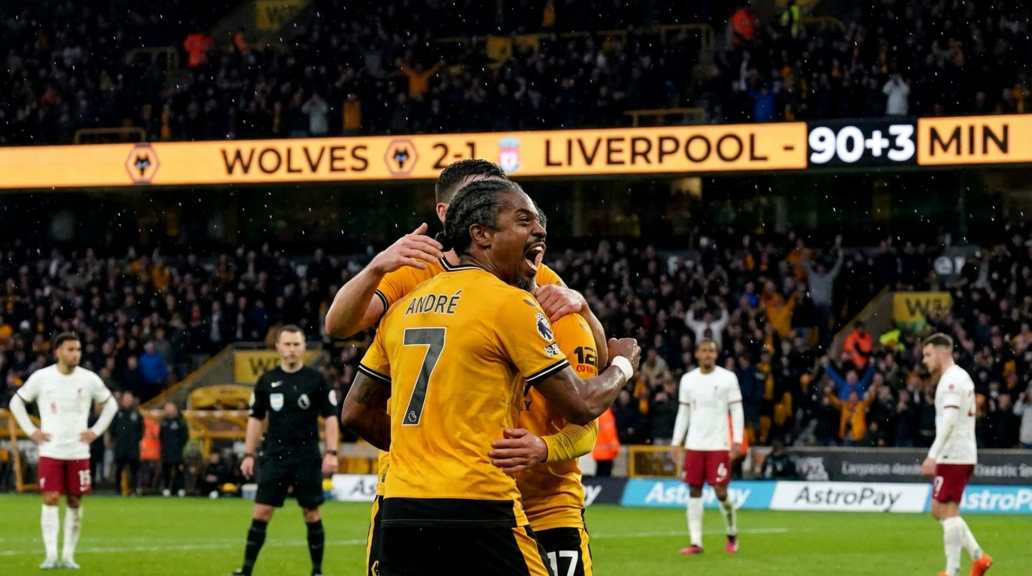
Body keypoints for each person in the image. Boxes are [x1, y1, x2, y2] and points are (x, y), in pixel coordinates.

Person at [341, 179, 640, 576]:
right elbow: (582, 405)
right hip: (479, 503)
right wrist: (624, 365)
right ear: (480, 235)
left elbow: (355, 412)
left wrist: (426, 452)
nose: (539, 231)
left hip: (403, 508)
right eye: (523, 221)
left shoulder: (403, 306)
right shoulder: (510, 303)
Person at [490, 273, 601, 576]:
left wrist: (544, 447)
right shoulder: (469, 309)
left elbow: (587, 424)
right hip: (483, 504)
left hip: (550, 506)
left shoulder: (563, 320)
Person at [230, 325, 339, 576]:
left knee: (311, 514)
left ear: (303, 347)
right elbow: (255, 419)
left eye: (296, 344)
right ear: (278, 347)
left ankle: (317, 572)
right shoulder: (267, 380)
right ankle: (245, 571)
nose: (291, 349)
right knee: (261, 511)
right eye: (287, 344)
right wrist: (249, 454)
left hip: (307, 456)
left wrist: (331, 452)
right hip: (274, 455)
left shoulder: (316, 380)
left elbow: (331, 417)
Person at [8, 332, 118, 569]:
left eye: (78, 349)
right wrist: (31, 431)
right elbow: (16, 402)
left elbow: (111, 404)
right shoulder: (42, 377)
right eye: (71, 349)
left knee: (75, 501)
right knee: (50, 499)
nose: (76, 354)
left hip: (78, 452)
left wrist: (95, 431)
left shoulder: (89, 379)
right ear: (57, 352)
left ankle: (68, 556)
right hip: (51, 450)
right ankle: (50, 555)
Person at [920, 333, 993, 576]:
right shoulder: (960, 377)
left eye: (928, 355)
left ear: (942, 353)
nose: (925, 361)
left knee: (948, 511)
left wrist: (932, 455)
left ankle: (953, 571)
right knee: (938, 509)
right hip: (958, 453)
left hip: (954, 454)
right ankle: (978, 557)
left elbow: (950, 421)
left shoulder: (951, 381)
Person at [670, 339, 744, 555]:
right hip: (694, 444)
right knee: (694, 490)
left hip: (719, 443)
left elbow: (737, 411)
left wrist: (737, 439)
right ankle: (696, 542)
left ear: (716, 354)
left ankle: (731, 532)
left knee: (721, 492)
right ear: (696, 354)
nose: (708, 354)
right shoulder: (688, 380)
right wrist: (676, 442)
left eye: (711, 351)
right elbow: (683, 412)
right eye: (704, 351)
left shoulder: (728, 378)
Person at [111, 391, 144, 496]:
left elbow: (141, 430)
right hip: (120, 447)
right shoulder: (118, 414)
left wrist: (135, 440)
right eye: (126, 399)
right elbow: (112, 429)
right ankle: (118, 490)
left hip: (133, 447)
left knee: (134, 469)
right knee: (119, 468)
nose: (127, 401)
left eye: (129, 399)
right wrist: (116, 441)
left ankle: (133, 490)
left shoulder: (136, 414)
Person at [159, 402, 189, 497]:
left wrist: (178, 446)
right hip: (166, 451)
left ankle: (180, 488)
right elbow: (161, 436)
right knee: (166, 471)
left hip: (177, 451)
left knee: (179, 470)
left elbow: (184, 437)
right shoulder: (164, 422)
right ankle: (166, 488)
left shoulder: (181, 422)